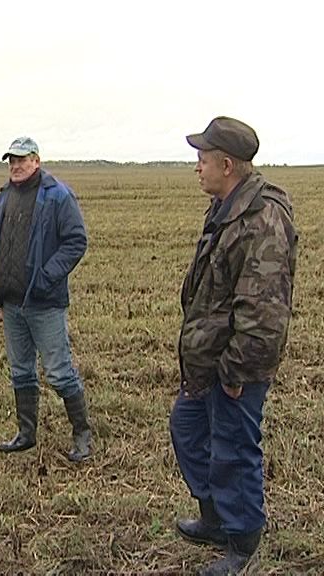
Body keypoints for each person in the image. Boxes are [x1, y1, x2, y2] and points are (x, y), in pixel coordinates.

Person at [170, 117, 297, 575]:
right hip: (208, 363)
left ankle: (242, 542)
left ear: (227, 164)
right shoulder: (226, 206)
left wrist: (238, 372)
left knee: (234, 449)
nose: (197, 167)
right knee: (187, 430)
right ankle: (216, 518)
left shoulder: (262, 216)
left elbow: (265, 311)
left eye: (203, 159)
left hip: (235, 367)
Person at [0, 136, 92, 462]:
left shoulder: (57, 196)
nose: (16, 166)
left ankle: (82, 435)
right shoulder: (4, 198)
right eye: (11, 161)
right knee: (20, 371)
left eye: (22, 160)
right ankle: (26, 434)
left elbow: (76, 241)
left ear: (36, 161)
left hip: (44, 303)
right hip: (13, 303)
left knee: (59, 372)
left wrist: (46, 277)